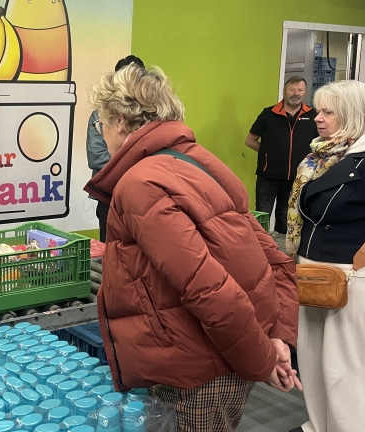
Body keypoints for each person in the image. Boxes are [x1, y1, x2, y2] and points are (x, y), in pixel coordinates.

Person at [85, 65, 300, 431]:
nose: (101, 133)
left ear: (119, 120)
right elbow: (275, 261)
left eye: (99, 123)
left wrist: (263, 359)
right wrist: (276, 338)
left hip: (197, 367)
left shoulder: (141, 183)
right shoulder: (202, 161)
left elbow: (209, 290)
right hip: (229, 351)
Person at [286, 80, 365, 432]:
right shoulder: (320, 158)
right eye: (319, 110)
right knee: (312, 359)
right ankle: (319, 425)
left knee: (343, 368)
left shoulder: (359, 162)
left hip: (350, 276)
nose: (317, 118)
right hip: (312, 271)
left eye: (328, 112)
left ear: (352, 115)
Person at [246, 76, 318, 234]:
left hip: (297, 177)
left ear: (305, 92)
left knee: (286, 217)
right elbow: (250, 141)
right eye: (292, 90)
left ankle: (282, 248)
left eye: (300, 90)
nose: (296, 93)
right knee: (262, 215)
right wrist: (268, 153)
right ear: (284, 91)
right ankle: (261, 245)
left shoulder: (313, 116)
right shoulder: (268, 114)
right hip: (268, 176)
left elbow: (318, 145)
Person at [87, 55, 144, 242]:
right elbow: (96, 157)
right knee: (109, 250)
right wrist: (136, 167)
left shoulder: (151, 115)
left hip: (141, 199)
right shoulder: (99, 115)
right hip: (109, 196)